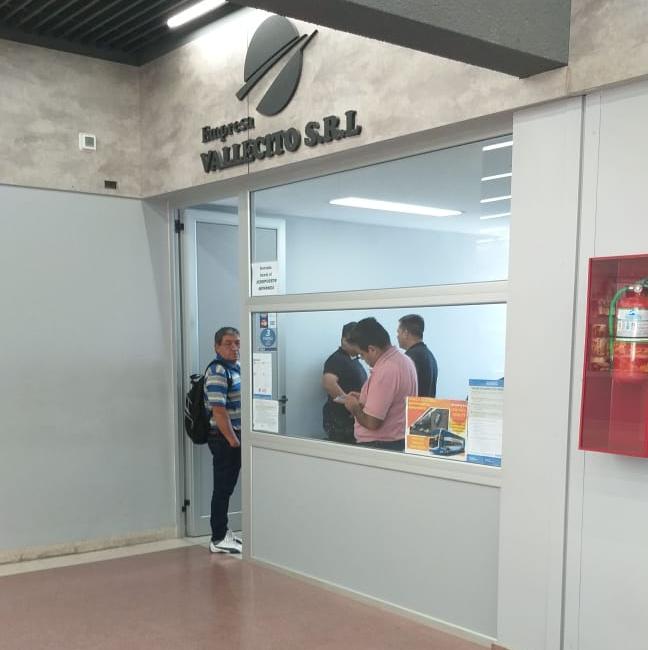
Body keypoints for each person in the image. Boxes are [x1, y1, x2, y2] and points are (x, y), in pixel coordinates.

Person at [343, 317, 417, 451]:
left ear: (372, 349)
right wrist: (365, 397)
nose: (363, 359)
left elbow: (372, 423)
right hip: (396, 441)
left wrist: (354, 407)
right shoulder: (405, 360)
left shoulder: (386, 370)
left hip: (379, 445)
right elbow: (393, 400)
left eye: (361, 355)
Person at [204, 326, 243, 554]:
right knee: (222, 489)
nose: (234, 347)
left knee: (226, 488)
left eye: (237, 343)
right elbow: (219, 410)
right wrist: (233, 440)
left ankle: (224, 531)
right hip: (225, 439)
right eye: (228, 343)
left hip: (234, 437)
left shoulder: (235, 368)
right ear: (217, 347)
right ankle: (218, 538)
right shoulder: (218, 371)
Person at [321, 322, 368, 444]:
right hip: (340, 420)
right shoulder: (336, 359)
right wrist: (349, 403)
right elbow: (329, 384)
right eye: (355, 342)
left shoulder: (353, 359)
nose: (359, 346)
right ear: (344, 341)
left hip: (351, 419)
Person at [397, 314, 438, 397]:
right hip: (425, 405)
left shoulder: (410, 357)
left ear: (405, 333)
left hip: (412, 405)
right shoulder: (430, 356)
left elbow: (402, 391)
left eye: (398, 332)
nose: (397, 336)